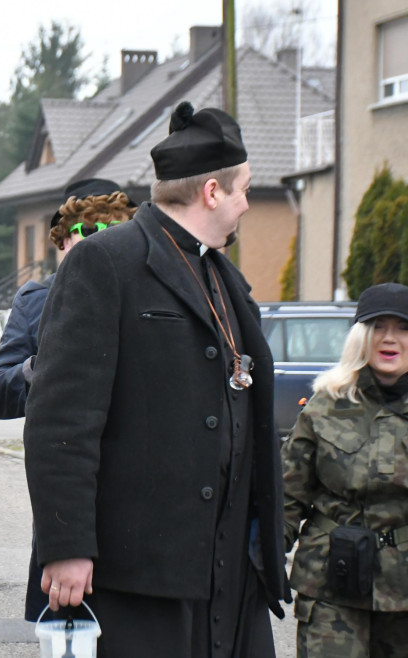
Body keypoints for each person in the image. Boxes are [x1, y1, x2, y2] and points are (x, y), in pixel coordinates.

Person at [23, 101, 291, 657]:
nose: (247, 203)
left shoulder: (227, 279)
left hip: (228, 574)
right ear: (212, 192)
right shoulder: (105, 262)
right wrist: (65, 545)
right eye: (243, 189)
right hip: (137, 574)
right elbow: (61, 420)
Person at [283, 282, 408, 656]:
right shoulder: (325, 406)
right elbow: (289, 495)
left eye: (403, 328)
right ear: (360, 338)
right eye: (378, 327)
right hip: (330, 582)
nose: (390, 339)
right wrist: (264, 563)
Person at [0, 178, 134, 421]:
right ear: (63, 239)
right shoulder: (35, 299)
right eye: (88, 230)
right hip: (64, 450)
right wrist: (47, 364)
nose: (102, 239)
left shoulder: (149, 293)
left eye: (113, 228)